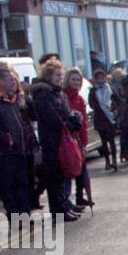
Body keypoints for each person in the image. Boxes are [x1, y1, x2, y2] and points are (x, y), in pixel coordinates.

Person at [29, 59, 82, 221]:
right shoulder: (44, 94)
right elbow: (53, 118)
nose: (60, 78)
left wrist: (72, 119)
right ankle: (59, 211)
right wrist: (69, 122)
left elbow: (64, 113)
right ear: (49, 76)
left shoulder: (56, 93)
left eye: (61, 75)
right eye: (57, 75)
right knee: (55, 177)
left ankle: (64, 206)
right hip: (52, 141)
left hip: (60, 138)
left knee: (61, 176)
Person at [0, 63, 36, 218]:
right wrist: (6, 139)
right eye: (9, 79)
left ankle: (25, 216)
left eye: (13, 79)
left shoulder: (14, 98)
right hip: (5, 151)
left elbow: (28, 119)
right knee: (9, 186)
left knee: (23, 183)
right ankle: (14, 216)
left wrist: (25, 105)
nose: (13, 82)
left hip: (21, 148)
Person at [63, 67, 92, 206]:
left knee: (82, 170)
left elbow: (84, 121)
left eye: (78, 80)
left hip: (78, 138)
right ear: (67, 80)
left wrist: (84, 141)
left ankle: (80, 196)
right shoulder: (64, 96)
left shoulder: (80, 98)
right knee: (69, 170)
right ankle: (67, 200)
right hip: (68, 139)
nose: (75, 82)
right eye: (73, 79)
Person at [88, 68, 118, 171]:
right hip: (100, 119)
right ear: (95, 79)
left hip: (110, 118)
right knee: (104, 142)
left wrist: (114, 109)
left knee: (112, 141)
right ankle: (107, 161)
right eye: (99, 78)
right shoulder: (93, 90)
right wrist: (99, 107)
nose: (101, 80)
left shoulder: (109, 88)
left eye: (102, 78)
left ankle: (114, 160)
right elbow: (91, 103)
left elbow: (116, 100)